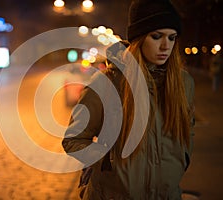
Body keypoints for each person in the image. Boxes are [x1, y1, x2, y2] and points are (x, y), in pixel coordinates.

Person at [62, 0, 195, 199]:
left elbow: (187, 132)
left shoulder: (184, 83)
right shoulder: (108, 82)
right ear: (139, 39)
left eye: (172, 37)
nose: (165, 45)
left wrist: (182, 159)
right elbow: (74, 139)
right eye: (156, 36)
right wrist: (107, 162)